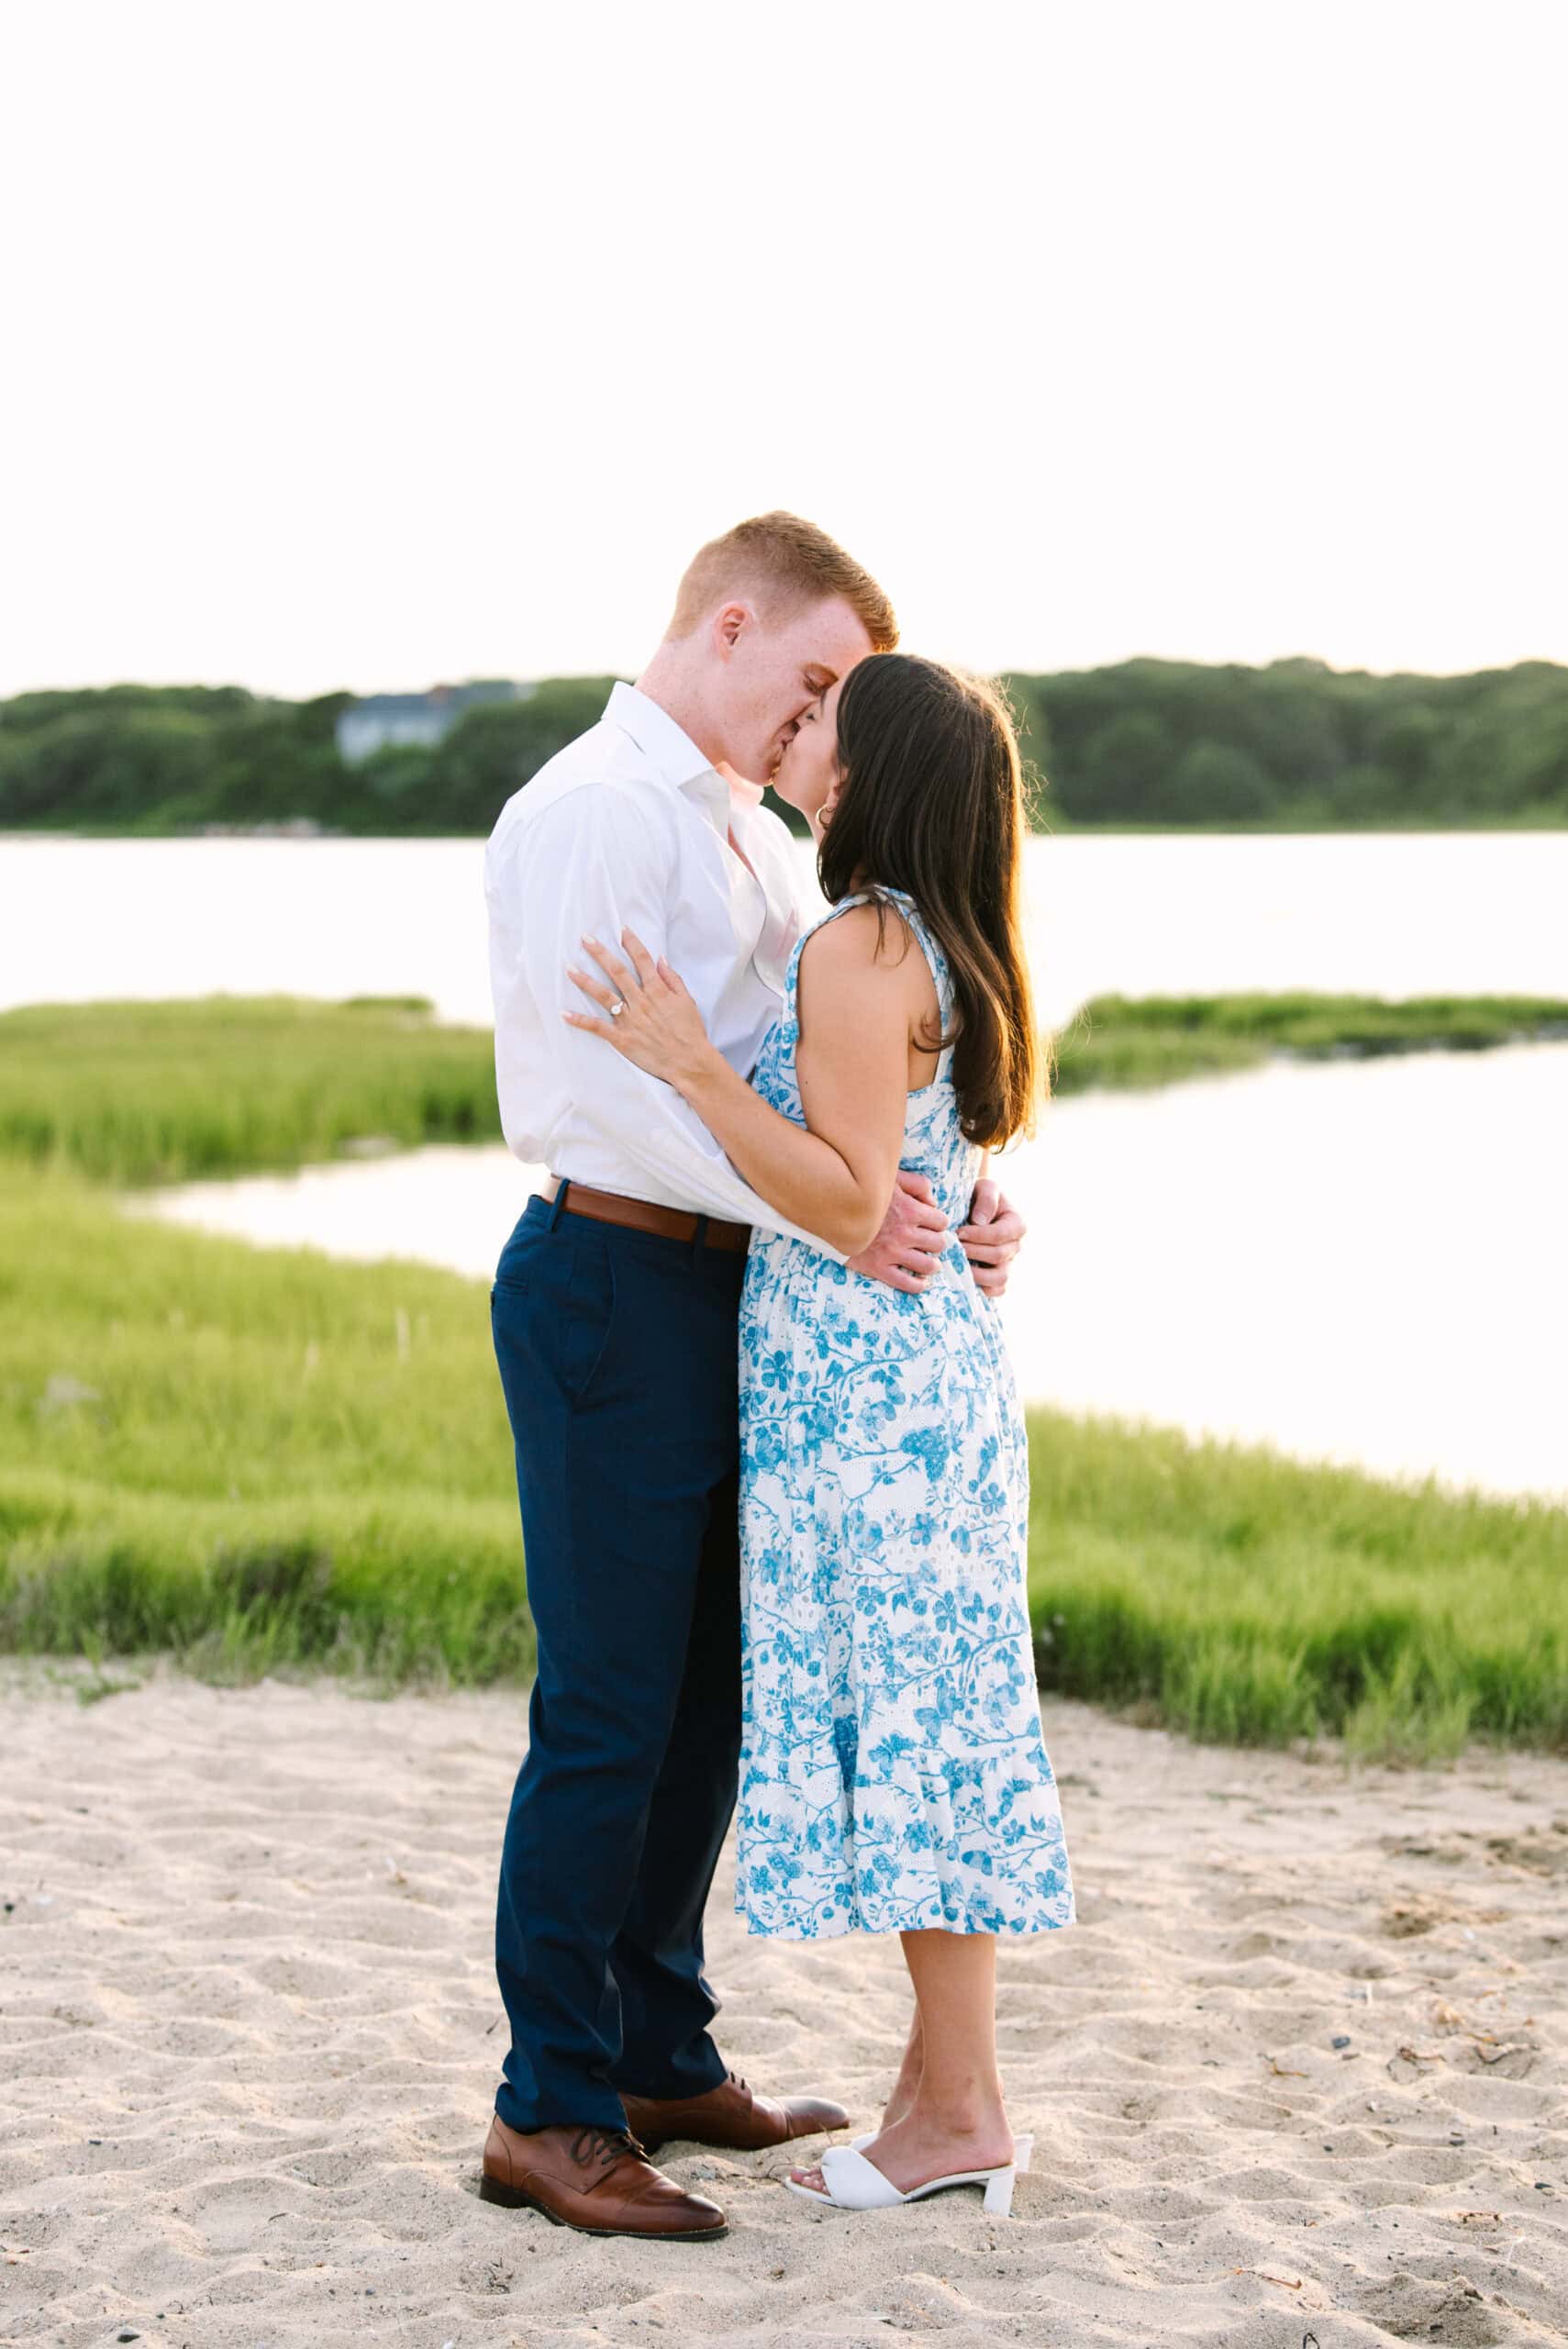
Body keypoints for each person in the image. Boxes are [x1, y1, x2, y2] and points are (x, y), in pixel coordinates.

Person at [479, 517, 1029, 2242]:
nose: (815, 725)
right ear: (729, 625)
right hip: (614, 1271)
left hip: (742, 1294)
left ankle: (658, 2051)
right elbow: (619, 1084)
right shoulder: (590, 813)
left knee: (706, 1705)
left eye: (835, 708)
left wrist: (922, 1194)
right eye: (808, 682)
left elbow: (845, 1076)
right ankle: (550, 2107)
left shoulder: (756, 839)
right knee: (605, 1712)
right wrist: (855, 1214)